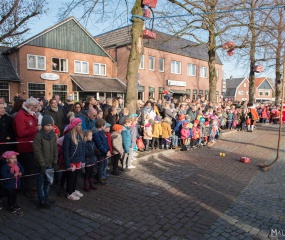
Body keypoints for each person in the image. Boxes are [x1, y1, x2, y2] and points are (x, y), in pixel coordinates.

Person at [13, 97, 41, 197]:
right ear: (29, 106)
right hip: (25, 147)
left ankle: (30, 186)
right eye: (35, 107)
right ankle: (27, 189)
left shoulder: (30, 114)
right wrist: (35, 129)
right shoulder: (20, 116)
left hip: (32, 146)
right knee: (27, 169)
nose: (37, 109)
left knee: (32, 168)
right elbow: (20, 133)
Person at [33, 115, 58, 208]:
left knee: (48, 182)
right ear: (43, 125)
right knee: (41, 183)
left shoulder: (53, 136)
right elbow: (37, 152)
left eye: (51, 125)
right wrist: (42, 164)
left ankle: (46, 198)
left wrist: (55, 162)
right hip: (42, 164)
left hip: (50, 163)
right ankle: (42, 201)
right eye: (47, 125)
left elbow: (55, 149)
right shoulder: (38, 136)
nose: (50, 127)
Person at [63, 118, 85, 200]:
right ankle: (69, 192)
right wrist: (67, 164)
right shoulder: (68, 136)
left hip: (78, 160)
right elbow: (65, 151)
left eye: (81, 125)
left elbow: (82, 148)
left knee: (76, 177)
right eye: (78, 125)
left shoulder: (80, 135)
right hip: (72, 161)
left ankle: (73, 189)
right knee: (70, 177)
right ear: (74, 126)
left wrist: (82, 160)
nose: (80, 127)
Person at [92, 119, 111, 185]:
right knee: (100, 166)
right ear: (101, 126)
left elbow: (105, 142)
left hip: (104, 152)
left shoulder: (101, 132)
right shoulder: (96, 134)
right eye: (105, 125)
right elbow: (99, 144)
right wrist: (106, 151)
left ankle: (101, 176)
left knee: (103, 165)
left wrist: (108, 150)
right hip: (100, 152)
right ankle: (100, 178)